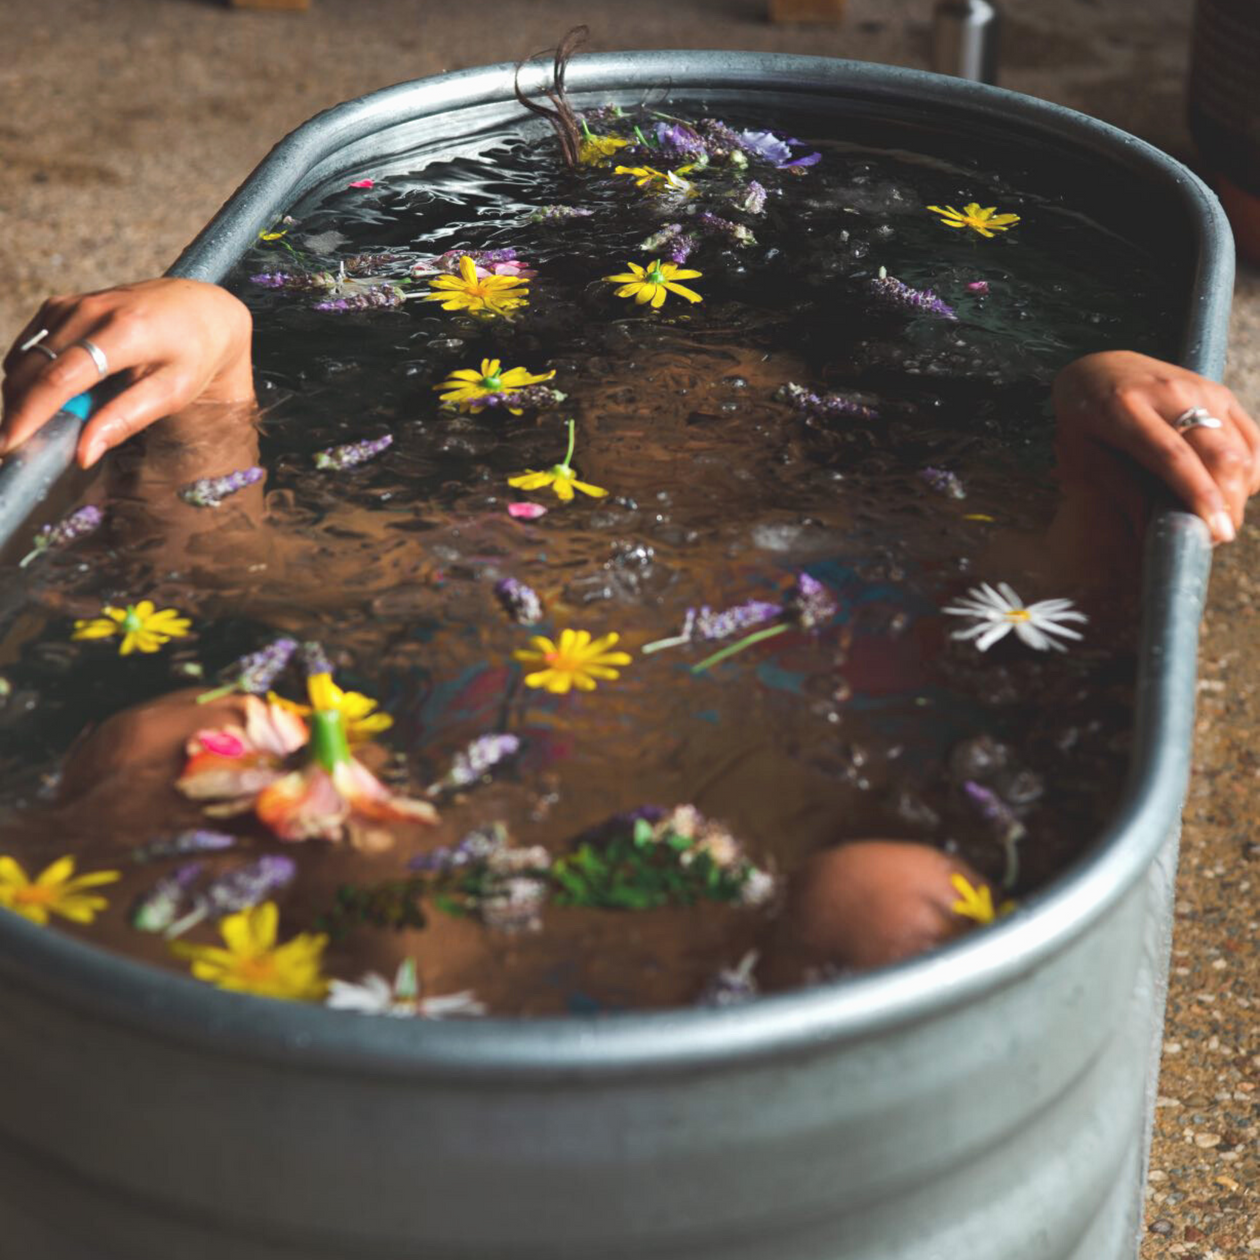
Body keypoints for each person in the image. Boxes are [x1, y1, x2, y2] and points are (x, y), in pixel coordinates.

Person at [4, 277, 1258, 544]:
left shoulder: (888, 573)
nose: (683, 411)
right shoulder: (491, 550)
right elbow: (236, 579)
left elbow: (1075, 671)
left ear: (802, 440)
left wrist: (1093, 433)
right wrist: (225, 360)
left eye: (727, 403)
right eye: (635, 393)